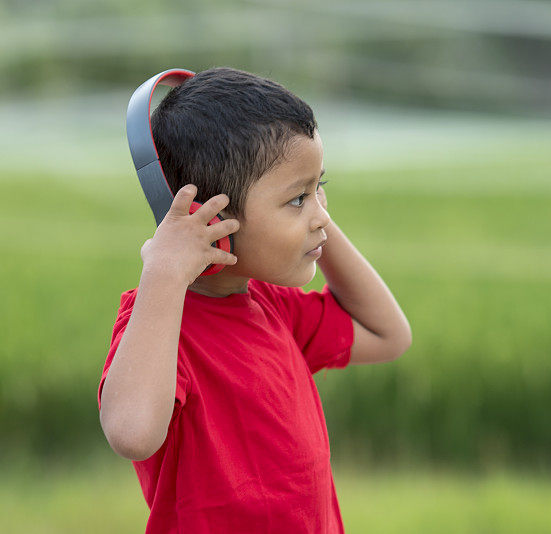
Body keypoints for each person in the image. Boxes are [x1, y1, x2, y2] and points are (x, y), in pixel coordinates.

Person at [96, 67, 412, 533]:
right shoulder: (162, 325)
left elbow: (389, 336)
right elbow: (132, 434)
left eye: (319, 188)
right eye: (296, 200)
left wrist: (312, 214)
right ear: (212, 216)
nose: (320, 213)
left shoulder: (275, 308)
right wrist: (163, 272)